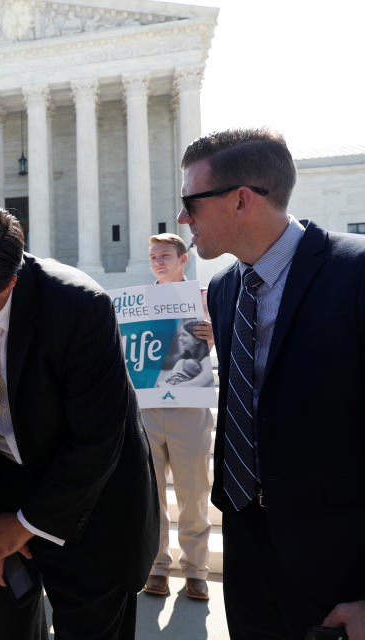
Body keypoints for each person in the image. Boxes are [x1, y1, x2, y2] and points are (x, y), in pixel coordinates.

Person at [0, 203, 157, 640]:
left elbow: (98, 439)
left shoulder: (79, 307)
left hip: (91, 504)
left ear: (8, 284)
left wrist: (27, 525)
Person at [179, 127, 365, 639]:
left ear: (241, 200)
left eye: (191, 203)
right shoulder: (221, 288)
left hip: (337, 565)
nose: (182, 219)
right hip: (245, 547)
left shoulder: (355, 272)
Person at [141, 233, 215, 601]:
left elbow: (232, 342)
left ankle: (196, 571)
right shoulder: (137, 303)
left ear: (183, 259)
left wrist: (214, 336)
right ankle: (157, 566)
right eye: (153, 256)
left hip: (190, 406)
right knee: (150, 493)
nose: (158, 261)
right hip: (148, 408)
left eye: (165, 255)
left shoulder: (206, 298)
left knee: (194, 491)